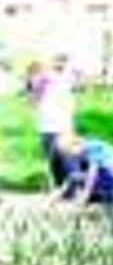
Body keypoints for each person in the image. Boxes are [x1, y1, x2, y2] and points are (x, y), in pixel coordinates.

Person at [25, 56, 75, 187]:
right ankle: (62, 189)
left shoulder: (53, 81)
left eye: (33, 75)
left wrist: (34, 89)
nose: (32, 80)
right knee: (54, 161)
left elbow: (33, 101)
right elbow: (32, 102)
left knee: (65, 159)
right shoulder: (44, 86)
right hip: (48, 127)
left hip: (61, 126)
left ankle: (72, 188)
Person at [51, 132, 113, 208]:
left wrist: (86, 194)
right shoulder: (85, 149)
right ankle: (55, 198)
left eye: (71, 152)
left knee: (75, 178)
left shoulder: (92, 147)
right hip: (106, 174)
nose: (73, 156)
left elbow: (92, 173)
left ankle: (78, 199)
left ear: (76, 144)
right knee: (74, 177)